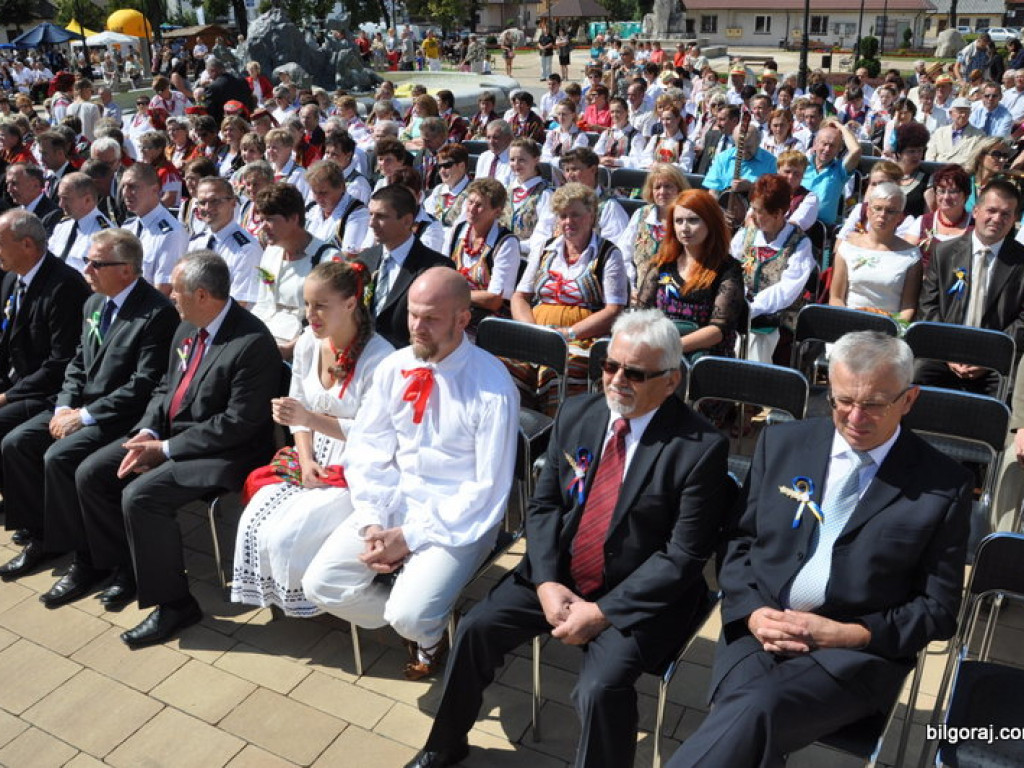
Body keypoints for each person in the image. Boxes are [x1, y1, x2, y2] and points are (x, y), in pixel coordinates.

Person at [406, 309, 730, 768]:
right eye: (610, 365)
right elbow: (544, 506)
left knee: (599, 689)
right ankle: (445, 743)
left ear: (671, 381)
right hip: (559, 574)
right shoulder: (579, 414)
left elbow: (682, 557)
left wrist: (601, 612)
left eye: (635, 373)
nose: (617, 380)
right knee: (476, 628)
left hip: (635, 598)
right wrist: (545, 582)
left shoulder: (700, 448)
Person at [667, 331, 972, 768]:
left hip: (853, 656)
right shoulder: (783, 443)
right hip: (761, 629)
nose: (855, 417)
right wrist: (752, 612)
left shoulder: (942, 485)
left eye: (874, 404)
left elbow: (938, 610)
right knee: (750, 719)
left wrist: (853, 633)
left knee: (752, 711)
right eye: (843, 400)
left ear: (909, 399)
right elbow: (738, 541)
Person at [302, 267, 519, 678]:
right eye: (413, 314)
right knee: (321, 585)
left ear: (462, 319)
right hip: (395, 503)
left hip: (460, 519)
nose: (417, 327)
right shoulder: (395, 367)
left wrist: (409, 538)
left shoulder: (493, 387)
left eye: (431, 318)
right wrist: (373, 521)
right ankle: (423, 613)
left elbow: (488, 490)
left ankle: (427, 633)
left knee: (409, 614)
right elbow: (368, 449)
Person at [73, 251, 280, 647]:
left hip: (226, 453)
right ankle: (128, 568)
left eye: (177, 290)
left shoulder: (252, 343)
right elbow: (166, 387)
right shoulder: (187, 326)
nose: (169, 295)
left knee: (141, 496)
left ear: (201, 295)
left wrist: (166, 449)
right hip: (172, 435)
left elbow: (238, 423)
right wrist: (148, 430)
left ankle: (175, 605)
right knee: (92, 473)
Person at [2, 229, 178, 597]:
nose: (87, 270)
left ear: (126, 270)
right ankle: (45, 535)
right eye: (86, 261)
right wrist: (64, 405)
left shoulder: (156, 313)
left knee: (60, 458)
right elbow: (78, 362)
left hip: (120, 415)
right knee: (17, 444)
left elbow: (143, 384)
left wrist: (84, 416)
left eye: (96, 264)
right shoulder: (95, 303)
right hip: (80, 405)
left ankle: (91, 560)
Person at [232, 260, 392, 616]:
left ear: (350, 304)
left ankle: (328, 600)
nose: (310, 315)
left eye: (320, 305)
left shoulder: (381, 359)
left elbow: (370, 434)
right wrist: (305, 458)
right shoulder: (307, 342)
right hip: (312, 457)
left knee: (287, 534)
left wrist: (307, 418)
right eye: (307, 304)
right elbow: (298, 406)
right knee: (254, 522)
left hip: (360, 468)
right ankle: (285, 594)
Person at [510, 182, 628, 412]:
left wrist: (568, 333)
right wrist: (532, 332)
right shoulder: (545, 249)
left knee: (555, 372)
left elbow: (614, 310)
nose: (568, 221)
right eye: (563, 216)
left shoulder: (608, 254)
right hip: (538, 333)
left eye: (575, 215)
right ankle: (521, 428)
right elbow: (520, 297)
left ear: (591, 215)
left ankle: (558, 427)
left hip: (582, 336)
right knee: (506, 369)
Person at [917, 180, 1024, 396]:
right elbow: (928, 306)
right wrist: (948, 352)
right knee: (913, 379)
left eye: (1005, 214)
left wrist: (990, 355)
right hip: (944, 351)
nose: (997, 219)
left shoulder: (1021, 261)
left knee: (1008, 394)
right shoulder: (944, 252)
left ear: (1014, 219)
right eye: (991, 211)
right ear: (975, 211)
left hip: (996, 358)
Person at [636, 189, 744, 360]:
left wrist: (670, 349)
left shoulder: (729, 269)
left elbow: (718, 331)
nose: (684, 228)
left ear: (710, 222)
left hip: (704, 358)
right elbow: (640, 314)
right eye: (678, 221)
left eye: (693, 220)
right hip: (659, 351)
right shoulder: (661, 264)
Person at [733, 174, 815, 365]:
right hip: (740, 308)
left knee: (756, 341)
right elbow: (731, 268)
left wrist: (751, 309)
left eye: (758, 211)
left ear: (778, 214)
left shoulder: (800, 244)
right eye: (752, 208)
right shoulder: (746, 234)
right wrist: (738, 300)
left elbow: (786, 291)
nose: (751, 215)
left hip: (780, 318)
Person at [251, 182, 340, 359]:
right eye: (262, 220)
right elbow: (263, 303)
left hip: (302, 349)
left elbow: (330, 320)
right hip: (264, 339)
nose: (263, 227)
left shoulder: (327, 258)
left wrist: (288, 350)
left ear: (294, 218)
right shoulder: (271, 251)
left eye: (270, 219)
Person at [361, 185, 454, 349]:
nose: (371, 223)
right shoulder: (366, 259)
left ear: (407, 221)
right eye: (370, 215)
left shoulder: (436, 270)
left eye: (381, 216)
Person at [831, 182, 922, 323]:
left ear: (900, 216)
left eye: (891, 211)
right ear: (868, 211)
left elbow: (908, 307)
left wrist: (894, 329)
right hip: (848, 323)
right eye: (877, 208)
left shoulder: (911, 256)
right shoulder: (847, 248)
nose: (882, 215)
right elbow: (836, 298)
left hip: (889, 327)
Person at [442, 178, 519, 327]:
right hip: (452, 307)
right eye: (470, 202)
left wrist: (453, 294)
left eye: (479, 206)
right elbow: (442, 272)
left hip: (485, 319)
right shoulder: (457, 231)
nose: (471, 209)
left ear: (496, 212)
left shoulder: (506, 243)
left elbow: (494, 300)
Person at [188, 176, 263, 306]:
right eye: (202, 202)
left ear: (233, 203)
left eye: (214, 201)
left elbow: (240, 303)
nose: (207, 207)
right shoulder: (196, 243)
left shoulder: (247, 249)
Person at [618, 163, 689, 292]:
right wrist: (631, 287)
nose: (662, 192)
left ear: (679, 189)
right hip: (639, 293)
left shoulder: (687, 218)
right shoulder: (641, 215)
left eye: (668, 186)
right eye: (657, 187)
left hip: (677, 295)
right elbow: (623, 254)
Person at [120, 163, 190, 294]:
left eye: (133, 186)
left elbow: (164, 290)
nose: (126, 193)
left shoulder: (171, 234)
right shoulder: (128, 227)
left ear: (155, 190)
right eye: (123, 186)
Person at [48, 172, 114, 274]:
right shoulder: (62, 226)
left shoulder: (103, 233)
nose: (61, 204)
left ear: (87, 200)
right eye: (60, 198)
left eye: (66, 198)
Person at [304, 159, 368, 259]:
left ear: (341, 187)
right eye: (314, 192)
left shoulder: (357, 213)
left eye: (323, 193)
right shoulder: (311, 209)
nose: (318, 198)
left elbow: (348, 256)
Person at [914, 164, 972, 270]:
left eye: (953, 191)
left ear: (966, 195)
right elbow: (906, 256)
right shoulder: (923, 221)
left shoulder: (976, 225)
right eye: (941, 191)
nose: (946, 197)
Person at [926, 97, 985, 166]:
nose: (963, 115)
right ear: (951, 113)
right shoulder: (939, 133)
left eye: (966, 112)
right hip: (938, 170)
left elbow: (976, 161)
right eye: (960, 111)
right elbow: (930, 157)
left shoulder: (978, 135)